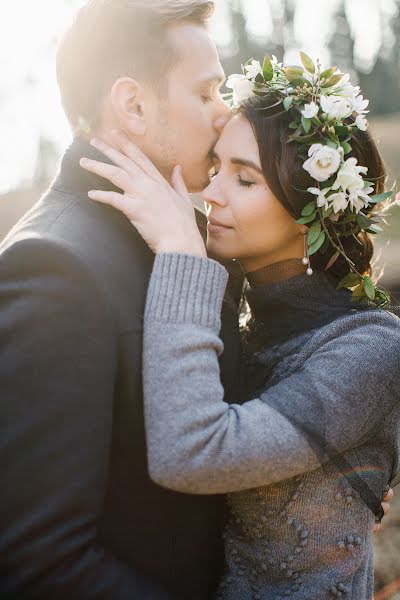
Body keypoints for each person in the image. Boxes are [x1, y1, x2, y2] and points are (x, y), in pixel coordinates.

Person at [81, 55, 400, 598]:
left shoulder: (371, 348)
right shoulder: (239, 315)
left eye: (244, 179)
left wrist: (181, 252)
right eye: (217, 167)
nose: (212, 195)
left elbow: (195, 454)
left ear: (313, 215)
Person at [0, 2, 236, 599]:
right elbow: (41, 563)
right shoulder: (56, 268)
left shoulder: (179, 240)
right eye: (207, 94)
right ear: (132, 105)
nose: (224, 113)